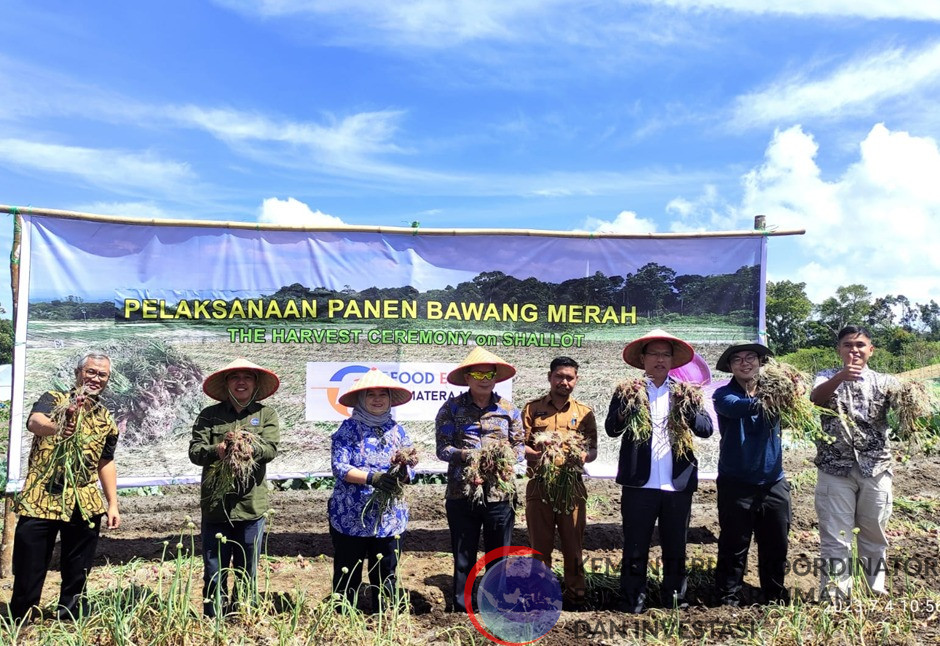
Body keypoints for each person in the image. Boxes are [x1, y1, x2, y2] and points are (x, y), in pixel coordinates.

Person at [604, 329, 713, 613]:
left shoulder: (686, 391)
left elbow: (705, 430)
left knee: (676, 547)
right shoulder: (628, 390)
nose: (660, 360)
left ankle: (676, 600)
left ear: (673, 360)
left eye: (666, 354)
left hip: (677, 483)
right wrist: (626, 407)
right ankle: (632, 603)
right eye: (654, 354)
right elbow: (611, 430)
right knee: (635, 546)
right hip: (640, 484)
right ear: (643, 358)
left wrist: (687, 408)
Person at [9, 352, 121, 622]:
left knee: (78, 569)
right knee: (29, 566)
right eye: (91, 372)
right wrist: (59, 426)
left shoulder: (106, 418)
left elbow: (106, 462)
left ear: (107, 380)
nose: (95, 378)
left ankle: (70, 618)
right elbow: (35, 422)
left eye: (102, 374)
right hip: (41, 498)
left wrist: (113, 503)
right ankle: (22, 619)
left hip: (83, 502)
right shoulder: (55, 399)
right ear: (78, 372)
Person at [810, 325, 899, 601]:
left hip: (876, 467)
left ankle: (873, 591)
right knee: (836, 536)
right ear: (839, 349)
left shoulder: (886, 382)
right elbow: (815, 399)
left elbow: (905, 410)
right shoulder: (825, 377)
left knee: (874, 534)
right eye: (848, 345)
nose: (854, 350)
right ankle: (835, 595)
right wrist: (840, 377)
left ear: (870, 350)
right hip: (835, 467)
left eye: (860, 345)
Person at [435, 346, 524, 613]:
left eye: (489, 374)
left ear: (496, 378)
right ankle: (462, 606)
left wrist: (505, 457)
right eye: (477, 374)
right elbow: (443, 449)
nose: (483, 379)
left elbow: (520, 447)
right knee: (464, 554)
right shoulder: (451, 409)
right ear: (467, 377)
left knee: (499, 554)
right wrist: (467, 456)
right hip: (462, 492)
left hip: (500, 493)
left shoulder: (509, 410)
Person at [189, 358, 280, 617]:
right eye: (235, 377)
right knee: (214, 569)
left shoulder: (266, 415)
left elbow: (271, 449)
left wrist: (249, 448)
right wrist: (217, 450)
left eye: (247, 377)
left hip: (251, 505)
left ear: (255, 384)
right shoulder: (209, 415)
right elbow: (195, 452)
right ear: (227, 384)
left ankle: (244, 615)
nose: (241, 382)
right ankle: (213, 618)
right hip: (216, 506)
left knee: (247, 569)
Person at [329, 368, 416, 612]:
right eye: (370, 395)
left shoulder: (397, 431)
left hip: (389, 516)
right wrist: (372, 477)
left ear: (390, 399)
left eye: (382, 395)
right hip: (351, 515)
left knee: (385, 569)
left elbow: (411, 465)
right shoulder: (347, 430)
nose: (377, 399)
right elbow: (339, 467)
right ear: (360, 400)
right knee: (349, 569)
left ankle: (384, 614)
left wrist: (403, 472)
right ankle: (344, 616)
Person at [712, 342, 790, 606]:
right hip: (736, 483)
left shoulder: (776, 392)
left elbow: (795, 406)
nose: (745, 363)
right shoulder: (723, 395)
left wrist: (792, 390)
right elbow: (738, 408)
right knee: (734, 545)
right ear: (731, 367)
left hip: (774, 483)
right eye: (737, 360)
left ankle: (775, 596)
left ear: (760, 362)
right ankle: (727, 598)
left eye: (750, 358)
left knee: (776, 545)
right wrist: (773, 398)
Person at [523, 356, 598, 610]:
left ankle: (576, 596)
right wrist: (539, 453)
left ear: (576, 380)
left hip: (572, 488)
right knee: (540, 547)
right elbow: (519, 444)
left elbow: (593, 449)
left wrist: (583, 455)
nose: (564, 382)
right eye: (559, 376)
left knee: (572, 546)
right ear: (549, 377)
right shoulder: (532, 409)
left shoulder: (585, 413)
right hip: (539, 486)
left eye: (569, 377)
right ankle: (541, 597)